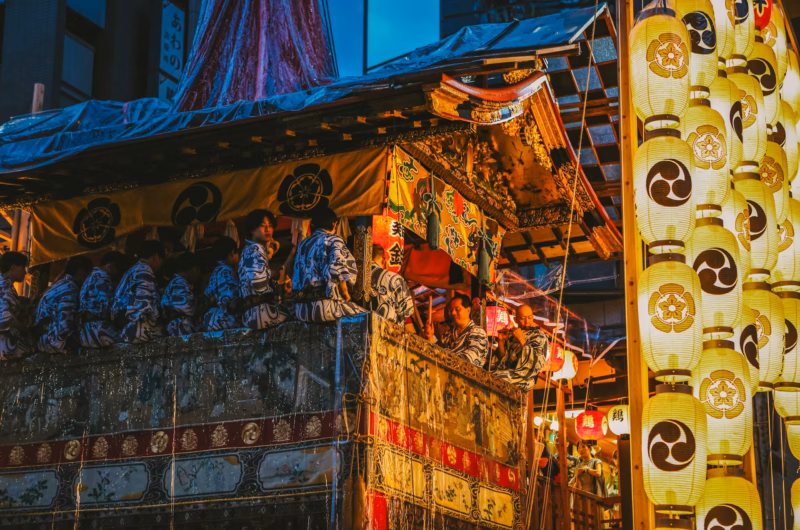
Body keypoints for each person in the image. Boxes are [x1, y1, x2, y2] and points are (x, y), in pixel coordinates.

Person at [292, 209, 365, 322]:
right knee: (366, 317)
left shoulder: (303, 244)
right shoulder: (333, 239)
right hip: (325, 307)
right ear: (334, 224)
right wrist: (345, 293)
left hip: (301, 310)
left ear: (312, 226)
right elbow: (338, 267)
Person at [239, 209, 290, 329]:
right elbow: (258, 283)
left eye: (270, 226)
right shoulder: (256, 248)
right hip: (261, 312)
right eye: (262, 226)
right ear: (251, 229)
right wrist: (274, 273)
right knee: (296, 314)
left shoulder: (247, 250)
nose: (268, 230)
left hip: (249, 314)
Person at [34, 255, 93, 354]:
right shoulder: (69, 288)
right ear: (81, 272)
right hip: (52, 341)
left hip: (44, 340)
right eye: (88, 274)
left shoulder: (60, 284)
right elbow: (65, 324)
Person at [112, 240, 165, 343]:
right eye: (161, 260)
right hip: (136, 329)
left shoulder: (130, 271)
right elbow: (144, 306)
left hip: (123, 328)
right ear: (156, 256)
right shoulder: (144, 269)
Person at [492, 304, 548, 390]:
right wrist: (501, 341)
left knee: (496, 378)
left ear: (533, 318)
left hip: (526, 378)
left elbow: (536, 362)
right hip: (509, 373)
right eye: (522, 318)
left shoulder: (539, 336)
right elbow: (503, 361)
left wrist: (521, 339)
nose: (527, 322)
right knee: (490, 374)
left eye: (529, 318)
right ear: (515, 320)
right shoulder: (512, 336)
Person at [79, 251, 127, 348]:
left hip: (84, 334)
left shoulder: (89, 278)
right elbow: (111, 309)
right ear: (111, 266)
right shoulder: (103, 277)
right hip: (99, 330)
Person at [426, 294, 488, 367]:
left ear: (468, 310)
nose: (453, 313)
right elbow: (436, 355)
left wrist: (443, 357)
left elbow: (470, 360)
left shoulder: (477, 332)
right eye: (451, 310)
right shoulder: (448, 335)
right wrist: (430, 337)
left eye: (457, 309)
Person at [369, 243, 413, 326]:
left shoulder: (356, 277)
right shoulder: (395, 279)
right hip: (387, 332)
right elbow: (407, 311)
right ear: (383, 260)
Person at [203, 236, 241, 331]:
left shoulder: (216, 271)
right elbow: (228, 299)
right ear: (232, 252)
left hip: (211, 321)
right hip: (222, 321)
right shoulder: (225, 270)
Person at [0, 252, 32, 359]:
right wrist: (26, 329)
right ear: (13, 267)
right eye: (23, 267)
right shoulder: (6, 288)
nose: (25, 272)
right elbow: (5, 318)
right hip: (5, 347)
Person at [161, 252, 200, 336]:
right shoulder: (178, 283)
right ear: (193, 269)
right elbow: (182, 308)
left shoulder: (179, 283)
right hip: (179, 330)